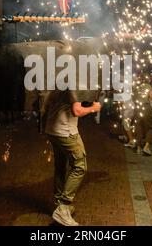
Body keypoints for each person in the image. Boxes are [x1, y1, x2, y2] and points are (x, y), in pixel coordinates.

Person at [43, 90, 101, 226]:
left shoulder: (58, 80)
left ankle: (59, 204)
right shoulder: (74, 83)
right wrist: (94, 108)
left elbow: (45, 105)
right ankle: (63, 208)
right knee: (80, 166)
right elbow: (77, 111)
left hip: (52, 130)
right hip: (66, 132)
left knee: (60, 166)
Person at [133, 74, 152, 156]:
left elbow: (133, 98)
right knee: (149, 127)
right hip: (146, 107)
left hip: (137, 108)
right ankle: (146, 146)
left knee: (138, 127)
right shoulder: (148, 86)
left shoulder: (135, 87)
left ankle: (138, 147)